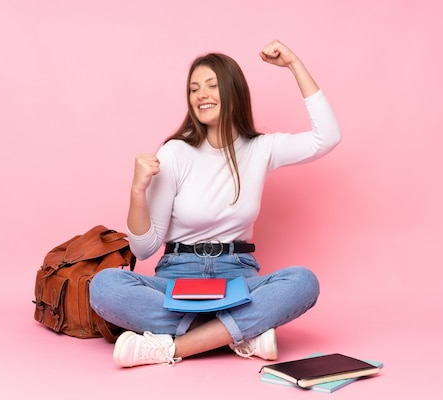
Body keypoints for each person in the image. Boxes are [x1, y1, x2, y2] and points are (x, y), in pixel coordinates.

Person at [89, 40, 341, 368]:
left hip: (236, 275)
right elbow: (144, 249)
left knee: (303, 282)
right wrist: (137, 191)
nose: (201, 95)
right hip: (176, 277)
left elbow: (328, 137)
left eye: (211, 85)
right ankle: (239, 332)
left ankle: (172, 348)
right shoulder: (175, 153)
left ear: (233, 91)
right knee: (104, 286)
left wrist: (293, 63)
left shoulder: (261, 149)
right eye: (194, 89)